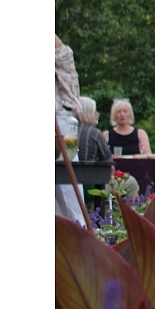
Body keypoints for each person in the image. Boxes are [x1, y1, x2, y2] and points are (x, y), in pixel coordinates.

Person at [55, 35, 87, 227]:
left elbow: (61, 53)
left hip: (61, 124)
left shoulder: (60, 57)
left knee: (68, 190)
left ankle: (79, 232)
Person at [76, 96, 112, 164]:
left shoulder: (64, 130)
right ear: (87, 112)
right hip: (90, 170)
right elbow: (108, 160)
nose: (97, 114)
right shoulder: (94, 133)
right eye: (94, 111)